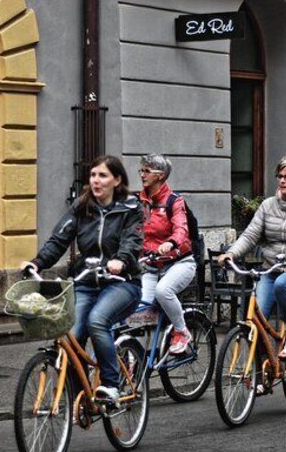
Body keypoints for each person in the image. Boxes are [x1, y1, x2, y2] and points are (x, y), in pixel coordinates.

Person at [21, 155, 143, 405]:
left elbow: (132, 241)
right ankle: (82, 394)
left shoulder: (131, 208)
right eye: (93, 175)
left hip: (121, 282)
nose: (96, 181)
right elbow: (59, 239)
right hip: (87, 280)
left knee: (97, 321)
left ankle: (110, 384)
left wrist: (120, 260)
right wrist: (37, 262)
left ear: (117, 180)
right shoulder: (81, 207)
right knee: (72, 336)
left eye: (103, 176)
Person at [218, 157, 286, 359]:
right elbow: (250, 235)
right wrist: (231, 253)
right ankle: (260, 375)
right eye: (280, 176)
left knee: (282, 284)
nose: (282, 181)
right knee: (255, 321)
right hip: (271, 269)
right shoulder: (268, 205)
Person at [134, 154, 197, 355]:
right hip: (152, 265)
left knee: (163, 291)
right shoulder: (138, 201)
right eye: (141, 170)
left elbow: (181, 228)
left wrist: (170, 243)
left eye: (147, 171)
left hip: (179, 263)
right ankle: (136, 353)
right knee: (139, 308)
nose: (142, 174)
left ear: (160, 176)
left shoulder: (174, 201)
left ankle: (181, 331)